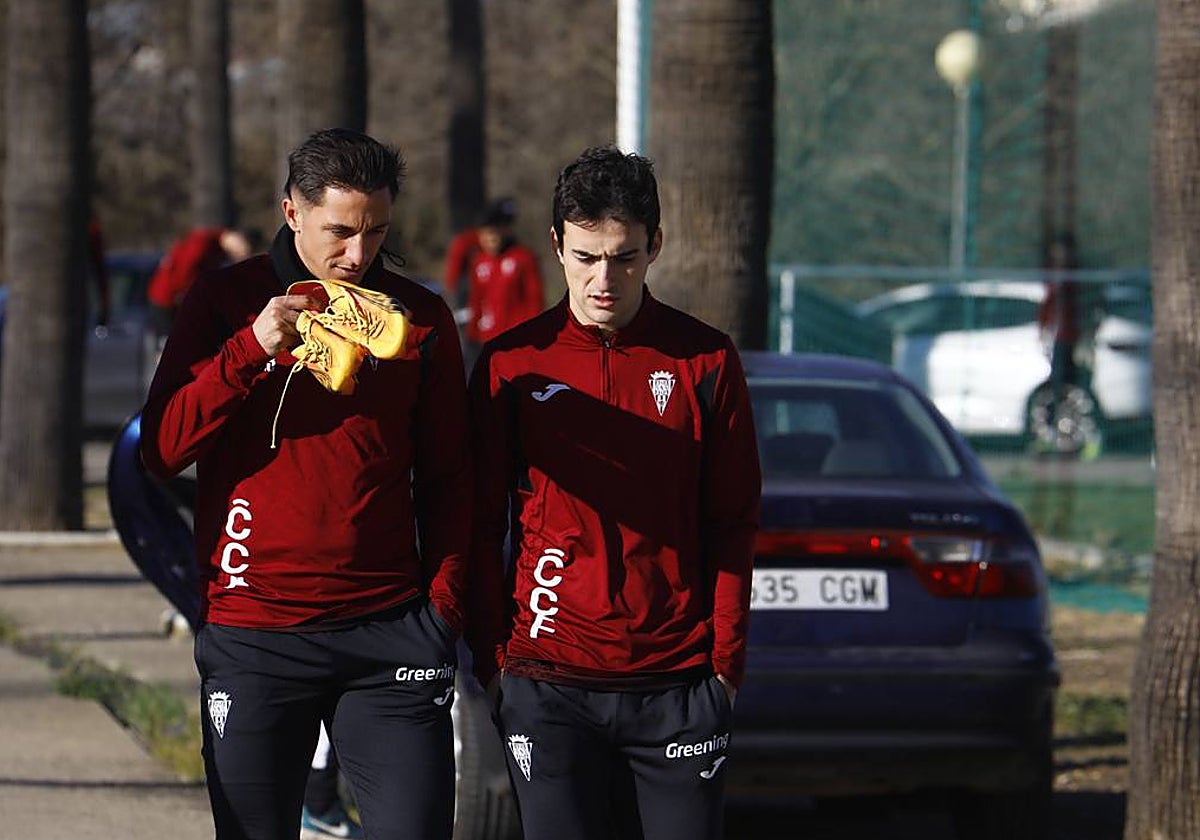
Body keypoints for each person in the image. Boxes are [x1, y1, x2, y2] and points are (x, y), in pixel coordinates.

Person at [140, 128, 469, 840]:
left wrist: (441, 612)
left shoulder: (422, 320)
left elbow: (451, 480)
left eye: (376, 231)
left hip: (390, 634)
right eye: (340, 231)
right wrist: (249, 350)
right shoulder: (225, 301)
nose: (359, 254)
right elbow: (163, 449)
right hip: (256, 633)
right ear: (292, 212)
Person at [465, 146, 761, 840]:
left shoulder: (707, 360)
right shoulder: (512, 363)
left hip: (678, 686)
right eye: (586, 256)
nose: (604, 278)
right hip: (547, 681)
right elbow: (478, 522)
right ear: (557, 245)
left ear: (654, 246)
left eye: (624, 257)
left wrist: (724, 667)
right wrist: (493, 660)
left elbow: (734, 521)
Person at [443, 197, 545, 371]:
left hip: (515, 341)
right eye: (484, 235)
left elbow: (534, 301)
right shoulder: (479, 262)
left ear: (505, 231)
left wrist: (530, 336)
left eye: (493, 235)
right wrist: (472, 335)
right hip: (484, 340)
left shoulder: (523, 259)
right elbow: (476, 300)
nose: (488, 240)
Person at [146, 225, 257, 340]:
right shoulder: (204, 243)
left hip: (175, 300)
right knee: (170, 342)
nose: (239, 255)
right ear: (236, 238)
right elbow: (184, 270)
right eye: (241, 249)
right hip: (167, 299)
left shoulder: (218, 250)